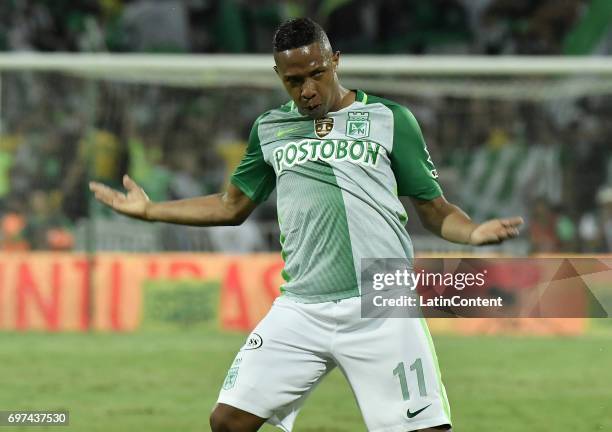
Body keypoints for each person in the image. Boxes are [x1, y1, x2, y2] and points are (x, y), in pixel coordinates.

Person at [90, 18, 523, 432]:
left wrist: (472, 232)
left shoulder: (390, 119)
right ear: (278, 75)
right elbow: (230, 206)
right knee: (227, 421)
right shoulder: (270, 128)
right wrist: (151, 210)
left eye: (316, 74)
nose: (308, 90)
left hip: (381, 300)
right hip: (302, 306)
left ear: (336, 60)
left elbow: (435, 209)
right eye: (294, 81)